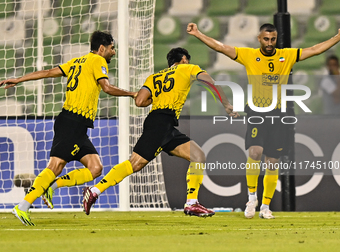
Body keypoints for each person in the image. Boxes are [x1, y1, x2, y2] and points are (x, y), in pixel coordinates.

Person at [187, 22, 340, 219]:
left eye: (273, 39)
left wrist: (337, 38)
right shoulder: (250, 55)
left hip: (279, 114)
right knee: (255, 151)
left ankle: (265, 207)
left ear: (276, 39)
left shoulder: (287, 55)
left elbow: (314, 50)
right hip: (258, 112)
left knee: (273, 161)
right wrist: (198, 34)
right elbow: (221, 47)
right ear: (259, 39)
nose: (269, 43)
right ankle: (252, 199)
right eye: (266, 39)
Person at [0, 31, 136, 226]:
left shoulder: (76, 62)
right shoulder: (98, 61)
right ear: (102, 48)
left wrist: (19, 80)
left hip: (76, 125)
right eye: (112, 48)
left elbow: (47, 73)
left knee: (95, 168)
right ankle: (22, 206)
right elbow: (106, 87)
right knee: (55, 166)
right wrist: (132, 93)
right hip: (72, 121)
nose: (113, 52)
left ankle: (51, 187)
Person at [82, 47, 239, 217]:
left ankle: (192, 203)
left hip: (162, 123)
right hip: (162, 123)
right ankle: (95, 190)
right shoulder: (188, 68)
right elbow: (210, 82)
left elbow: (140, 101)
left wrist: (159, 96)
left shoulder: (154, 77)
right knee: (135, 163)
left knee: (198, 156)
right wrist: (226, 104)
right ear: (184, 59)